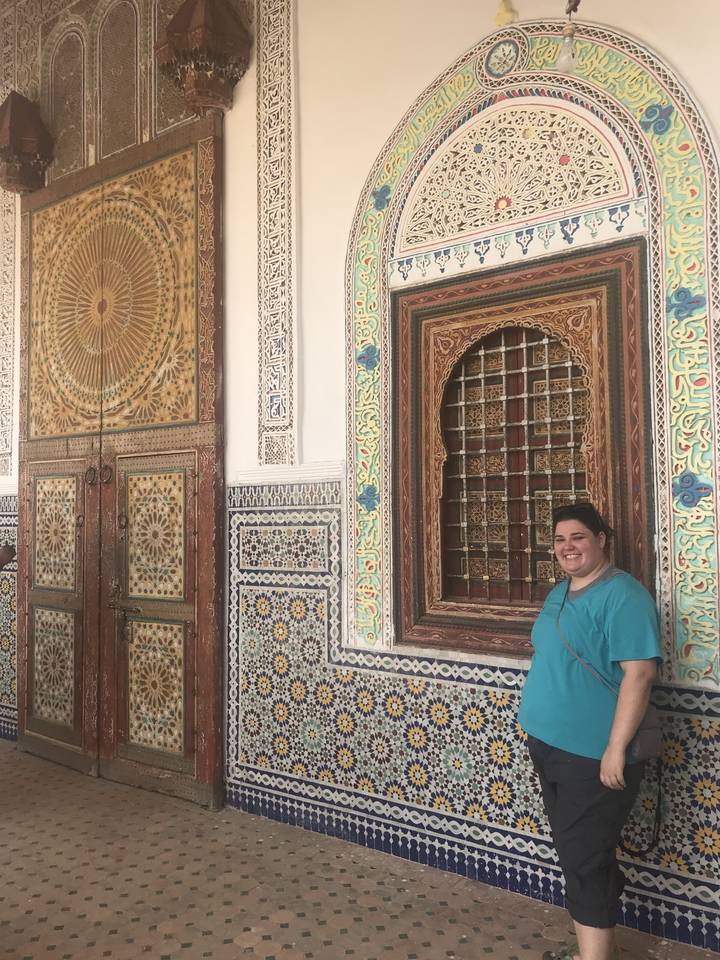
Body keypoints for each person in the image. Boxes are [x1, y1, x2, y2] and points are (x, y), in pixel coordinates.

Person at [518, 502, 661, 960]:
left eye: (578, 537)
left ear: (601, 539)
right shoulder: (560, 592)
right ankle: (597, 943)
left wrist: (616, 748)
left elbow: (639, 674)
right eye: (560, 540)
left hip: (595, 756)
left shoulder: (624, 596)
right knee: (581, 851)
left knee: (581, 860)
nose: (567, 547)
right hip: (550, 746)